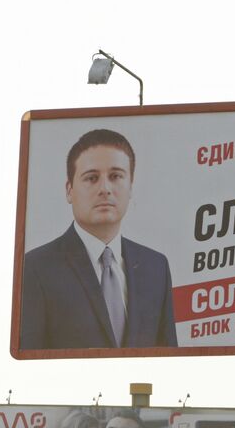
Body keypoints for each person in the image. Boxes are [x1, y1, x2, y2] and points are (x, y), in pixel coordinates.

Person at [19, 128, 178, 350]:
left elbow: (168, 361)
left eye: (115, 176)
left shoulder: (156, 267)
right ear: (69, 190)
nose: (105, 189)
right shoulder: (36, 268)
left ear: (130, 186)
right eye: (91, 178)